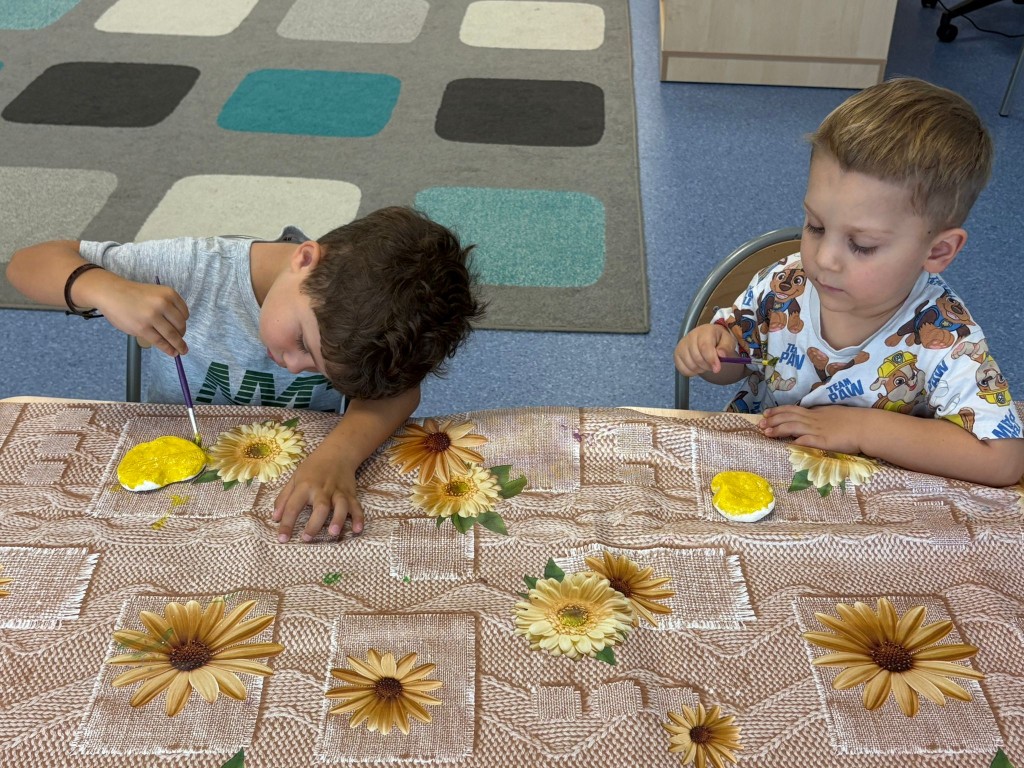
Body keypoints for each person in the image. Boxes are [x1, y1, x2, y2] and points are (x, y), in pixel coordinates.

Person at [7, 206, 485, 538]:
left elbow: (398, 393)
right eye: (303, 343)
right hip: (166, 476)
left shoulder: (364, 329)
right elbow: (26, 265)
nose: (294, 365)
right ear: (304, 260)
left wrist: (338, 455)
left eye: (321, 371)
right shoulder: (193, 269)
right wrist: (103, 288)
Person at [674, 77, 1024, 487]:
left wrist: (862, 429)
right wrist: (713, 354)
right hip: (759, 472)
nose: (824, 259)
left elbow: (1004, 459)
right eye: (815, 225)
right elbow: (736, 364)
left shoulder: (945, 337)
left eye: (862, 245)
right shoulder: (784, 284)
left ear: (938, 251)